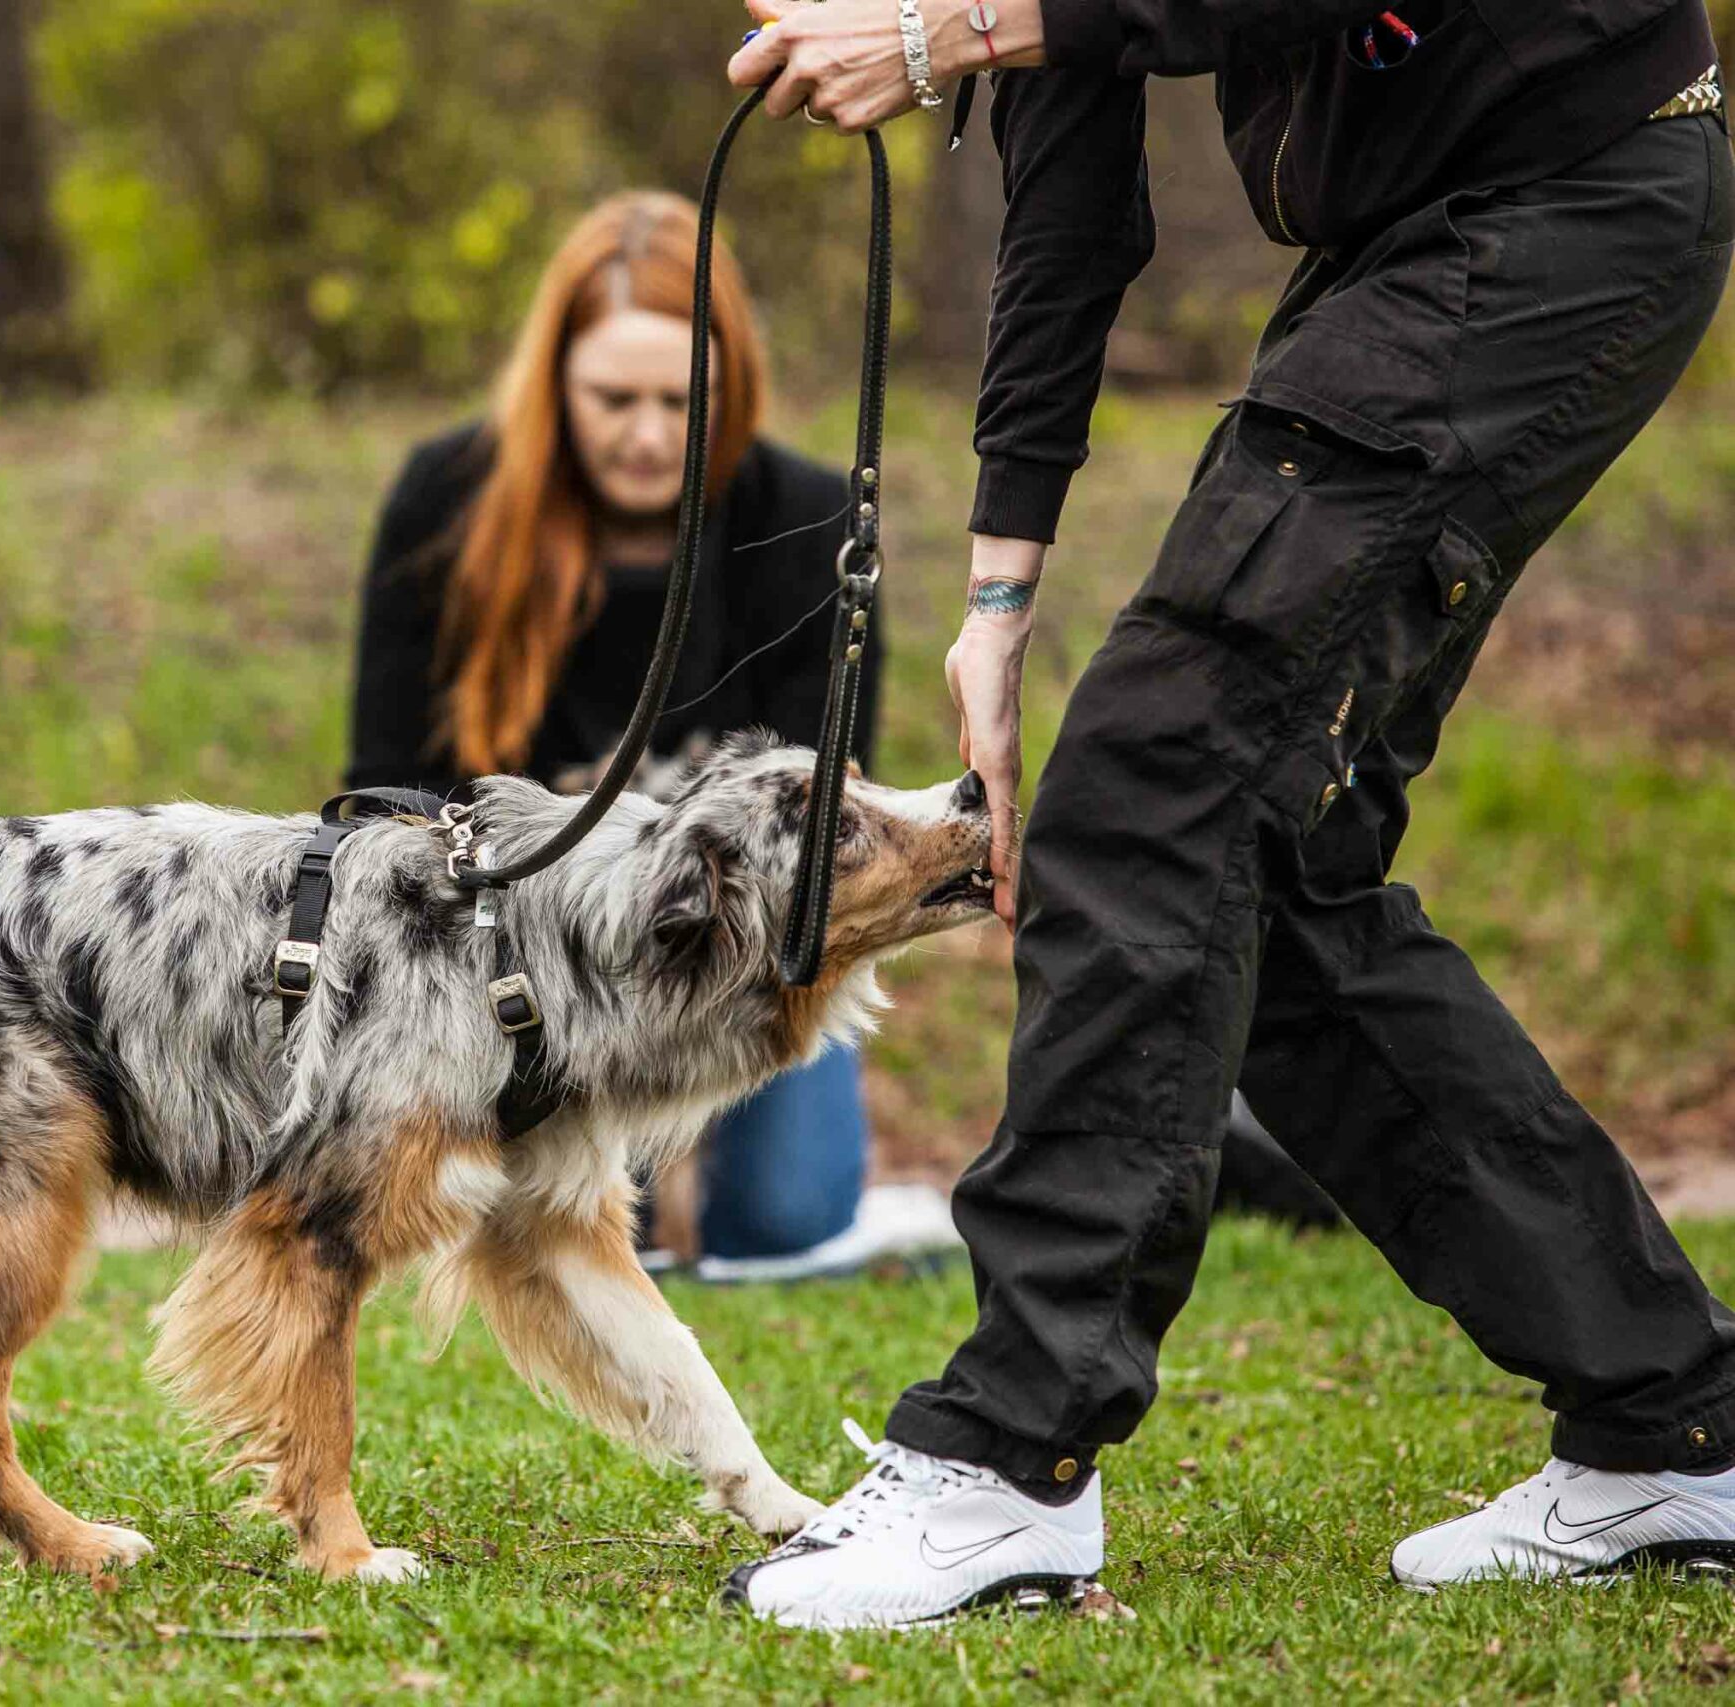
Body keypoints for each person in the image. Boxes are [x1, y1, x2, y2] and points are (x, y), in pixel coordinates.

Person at [717, 0, 1735, 1627]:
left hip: (1565, 203)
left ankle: (1009, 1464)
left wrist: (943, 36)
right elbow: (1071, 191)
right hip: (1429, 242)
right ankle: (1667, 1421)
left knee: (1148, 796)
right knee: (1278, 873)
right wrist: (999, 593)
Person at [346, 189, 960, 1282]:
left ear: (731, 385)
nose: (644, 434)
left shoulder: (812, 521)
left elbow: (831, 833)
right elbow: (382, 799)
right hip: (503, 968)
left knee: (775, 1223)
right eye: (611, 397)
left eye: (680, 400)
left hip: (738, 963)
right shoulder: (446, 503)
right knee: (498, 1213)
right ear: (554, 385)